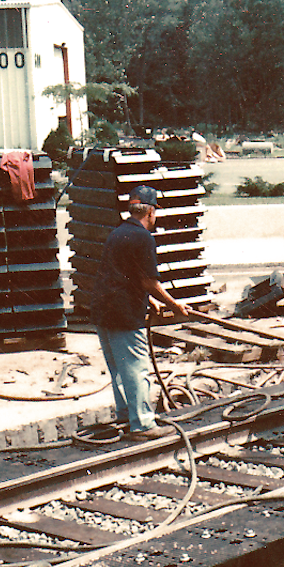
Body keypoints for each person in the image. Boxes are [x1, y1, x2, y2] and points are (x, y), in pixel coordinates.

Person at [92, 185, 190, 439]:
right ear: (150, 211)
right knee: (136, 367)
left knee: (119, 369)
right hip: (124, 313)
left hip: (103, 310)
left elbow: (126, 273)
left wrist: (150, 301)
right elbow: (148, 281)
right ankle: (143, 424)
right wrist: (174, 305)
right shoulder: (144, 238)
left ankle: (127, 415)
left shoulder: (118, 233)